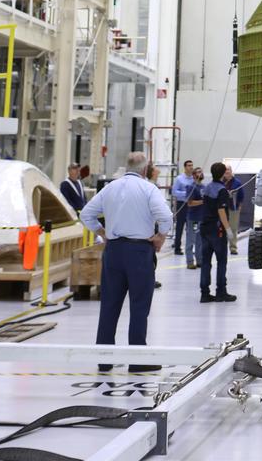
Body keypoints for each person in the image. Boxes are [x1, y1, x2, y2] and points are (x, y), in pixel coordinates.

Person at [80, 150, 172, 373]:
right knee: (139, 307)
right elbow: (166, 217)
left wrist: (102, 232)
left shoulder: (110, 187)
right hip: (139, 252)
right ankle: (137, 358)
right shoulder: (148, 188)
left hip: (113, 252)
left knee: (109, 306)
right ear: (144, 169)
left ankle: (104, 359)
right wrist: (160, 236)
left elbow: (86, 214)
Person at [199, 161, 237, 303]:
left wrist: (225, 196)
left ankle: (204, 293)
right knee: (221, 262)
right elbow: (221, 210)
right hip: (217, 230)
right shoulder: (221, 191)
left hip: (205, 228)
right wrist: (228, 229)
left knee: (206, 262)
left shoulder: (208, 187)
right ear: (222, 174)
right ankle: (221, 291)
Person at [172, 159, 195, 255]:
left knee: (192, 228)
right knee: (180, 227)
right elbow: (174, 192)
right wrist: (186, 193)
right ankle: (177, 248)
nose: (191, 167)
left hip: (192, 205)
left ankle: (191, 248)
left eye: (192, 165)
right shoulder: (179, 179)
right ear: (185, 167)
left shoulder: (194, 179)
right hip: (182, 204)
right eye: (189, 165)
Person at [185, 166, 205, 271]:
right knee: (191, 240)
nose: (201, 173)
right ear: (193, 175)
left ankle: (199, 261)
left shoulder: (203, 187)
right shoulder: (191, 187)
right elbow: (190, 203)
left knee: (200, 241)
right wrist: (203, 202)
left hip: (201, 218)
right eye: (198, 172)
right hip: (194, 219)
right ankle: (190, 262)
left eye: (201, 171)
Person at [224, 164, 245, 256]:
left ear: (231, 171)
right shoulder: (221, 182)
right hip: (222, 209)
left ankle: (233, 248)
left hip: (234, 209)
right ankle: (221, 246)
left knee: (233, 228)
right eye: (225, 170)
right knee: (222, 228)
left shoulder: (237, 183)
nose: (227, 172)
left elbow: (241, 196)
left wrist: (239, 207)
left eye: (228, 170)